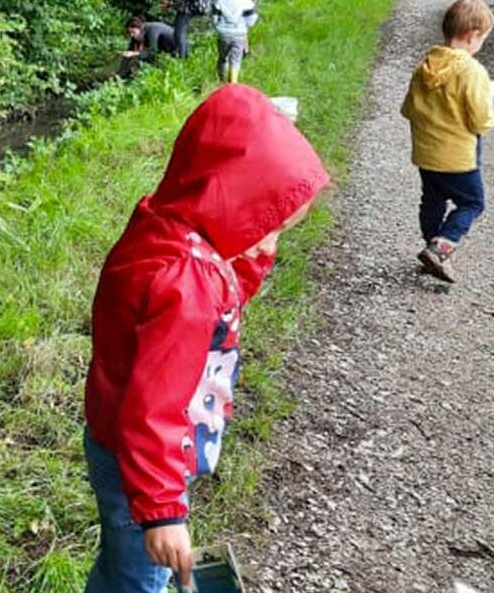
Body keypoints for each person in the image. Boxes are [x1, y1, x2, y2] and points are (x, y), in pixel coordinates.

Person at [83, 84, 329, 592]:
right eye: (266, 224)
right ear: (236, 200)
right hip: (145, 465)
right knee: (141, 578)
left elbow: (226, 299)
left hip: (132, 451)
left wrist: (257, 252)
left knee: (122, 566)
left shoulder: (168, 225)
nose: (267, 237)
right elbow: (153, 409)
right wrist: (163, 512)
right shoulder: (185, 282)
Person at [401, 0, 494, 283]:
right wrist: (491, 108)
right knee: (473, 203)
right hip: (458, 158)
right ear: (473, 35)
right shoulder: (472, 71)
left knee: (432, 201)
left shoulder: (424, 67)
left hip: (427, 154)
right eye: (483, 38)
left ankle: (432, 249)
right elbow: (480, 120)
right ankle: (441, 247)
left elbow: (408, 109)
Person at [212, 0, 257, 84]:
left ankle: (220, 78)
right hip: (239, 34)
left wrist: (219, 27)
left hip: (223, 34)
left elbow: (215, 18)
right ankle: (233, 82)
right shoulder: (246, 0)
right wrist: (245, 27)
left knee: (222, 57)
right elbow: (251, 19)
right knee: (236, 60)